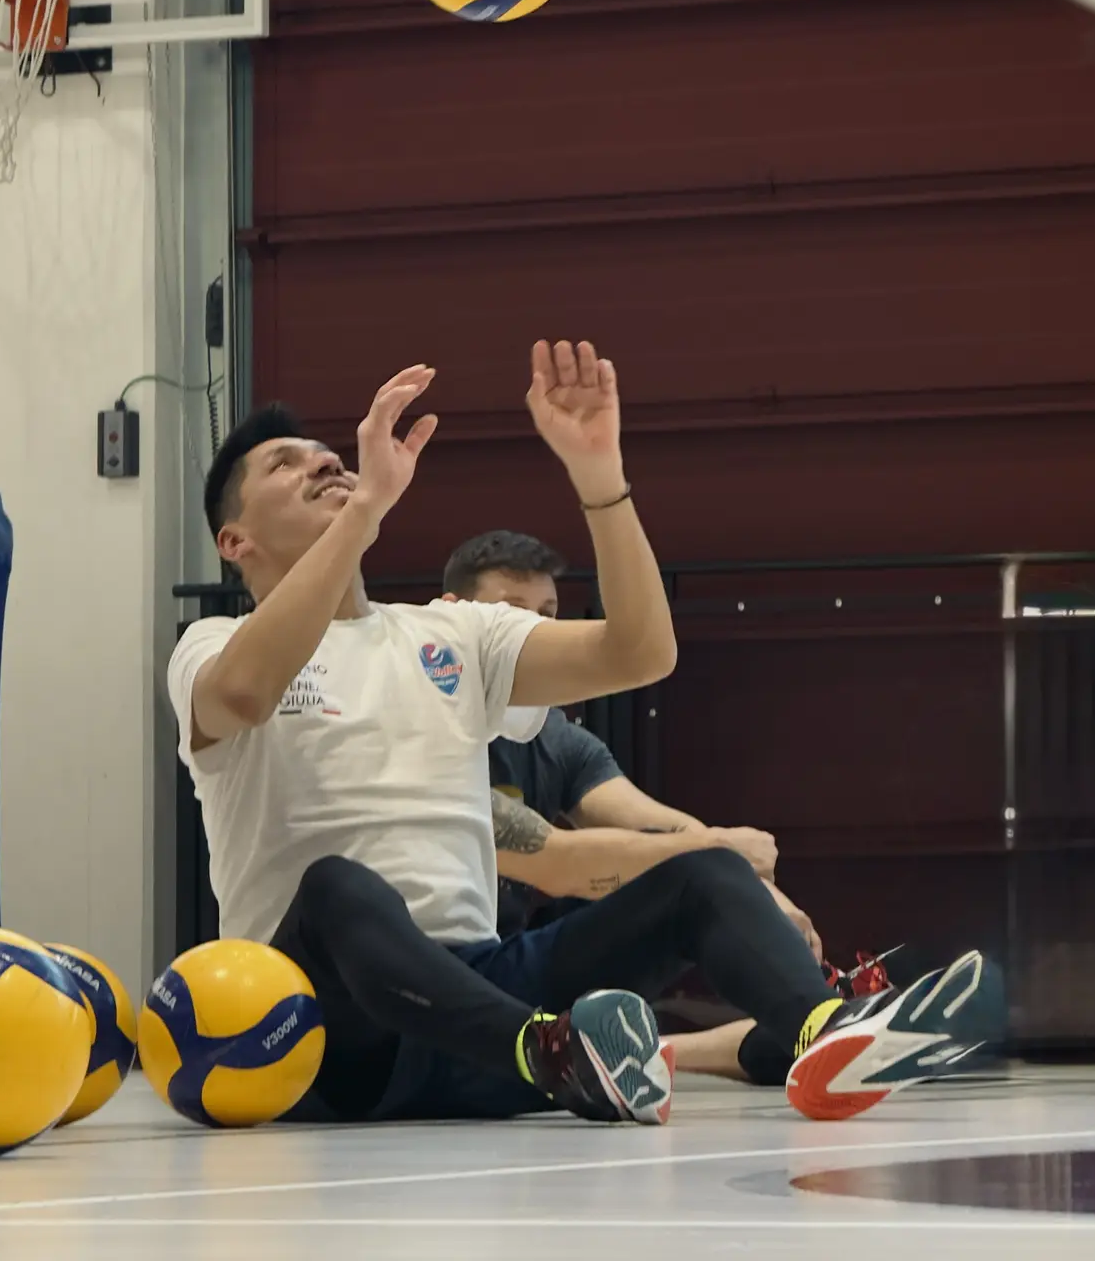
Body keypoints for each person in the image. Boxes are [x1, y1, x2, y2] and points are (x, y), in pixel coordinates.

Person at [170, 339, 999, 1128]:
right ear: (234, 541)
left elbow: (641, 652)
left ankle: (826, 1032)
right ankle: (554, 1053)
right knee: (335, 889)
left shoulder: (450, 634)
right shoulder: (210, 647)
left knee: (703, 874)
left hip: (482, 1004)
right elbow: (243, 692)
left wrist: (601, 479)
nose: (324, 463)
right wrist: (367, 509)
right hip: (323, 1028)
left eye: (329, 456)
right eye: (285, 464)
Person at [443, 529, 822, 962]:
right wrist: (722, 854)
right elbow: (560, 864)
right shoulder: (419, 726)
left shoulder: (555, 739)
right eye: (512, 612)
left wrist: (769, 901)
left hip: (505, 954)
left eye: (547, 615)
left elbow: (664, 828)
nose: (533, 632)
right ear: (451, 616)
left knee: (679, 889)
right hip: (423, 968)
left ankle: (815, 1001)